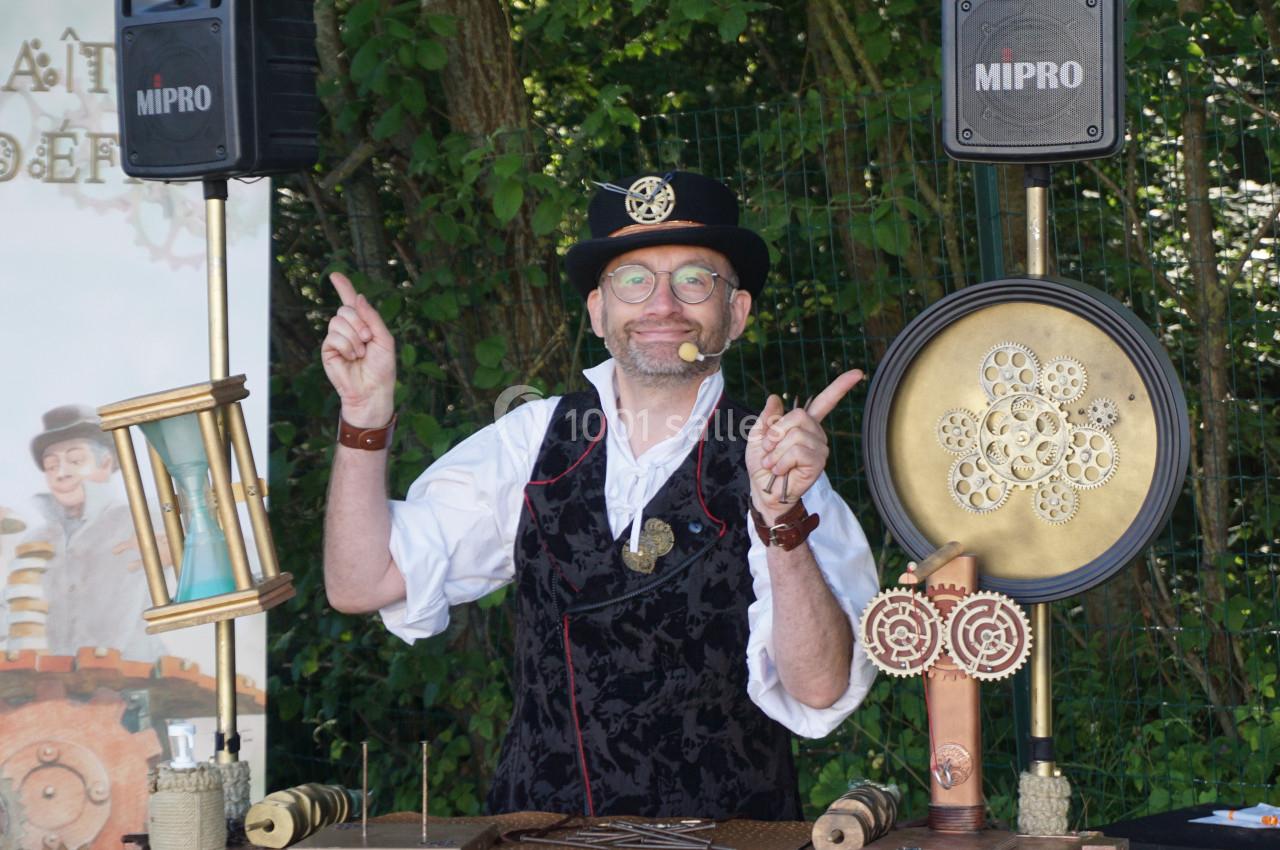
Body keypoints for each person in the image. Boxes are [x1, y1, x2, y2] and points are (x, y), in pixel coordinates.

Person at [321, 171, 879, 820]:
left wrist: (781, 520)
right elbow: (362, 583)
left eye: (695, 278)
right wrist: (364, 415)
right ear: (598, 311)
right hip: (538, 837)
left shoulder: (781, 464)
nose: (662, 305)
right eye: (633, 280)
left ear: (737, 313)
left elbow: (818, 689)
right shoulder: (530, 441)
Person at [17, 404, 161, 661]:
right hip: (53, 685)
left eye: (75, 461)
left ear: (105, 464)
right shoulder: (35, 541)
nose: (61, 474)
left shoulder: (145, 520)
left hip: (137, 678)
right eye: (51, 466)